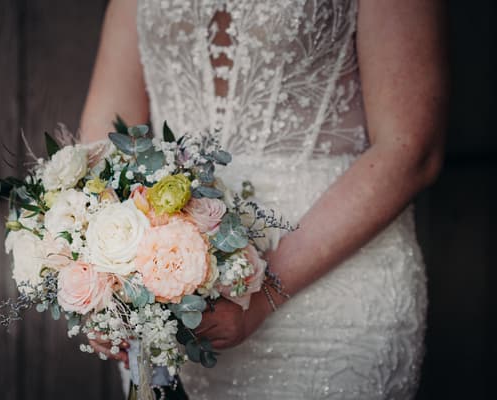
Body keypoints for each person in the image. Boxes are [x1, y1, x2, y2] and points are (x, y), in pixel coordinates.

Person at [81, 0, 447, 398]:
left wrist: (265, 293)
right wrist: (107, 285)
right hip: (176, 304)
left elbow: (410, 149)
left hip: (333, 291)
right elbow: (105, 137)